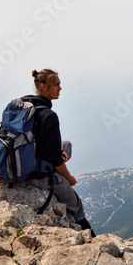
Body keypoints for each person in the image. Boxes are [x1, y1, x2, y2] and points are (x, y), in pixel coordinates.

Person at [22, 69, 96, 237]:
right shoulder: (49, 116)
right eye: (56, 85)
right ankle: (92, 238)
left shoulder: (28, 106)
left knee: (66, 145)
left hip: (28, 159)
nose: (60, 88)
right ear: (43, 86)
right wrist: (69, 178)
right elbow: (55, 160)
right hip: (40, 176)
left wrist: (56, 152)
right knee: (77, 206)